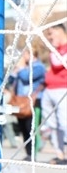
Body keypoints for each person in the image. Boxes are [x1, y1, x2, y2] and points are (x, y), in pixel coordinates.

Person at [8, 46, 46, 160]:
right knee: (23, 128)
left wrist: (21, 68)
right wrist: (15, 71)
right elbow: (10, 80)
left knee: (31, 127)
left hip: (33, 101)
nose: (22, 57)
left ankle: (34, 153)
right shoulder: (22, 67)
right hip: (20, 101)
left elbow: (26, 77)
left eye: (24, 55)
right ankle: (29, 153)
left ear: (31, 55)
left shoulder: (38, 67)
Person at [41, 23, 67, 164]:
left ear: (59, 31)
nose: (49, 37)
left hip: (63, 90)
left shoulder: (59, 50)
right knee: (52, 125)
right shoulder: (55, 50)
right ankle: (60, 153)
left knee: (64, 122)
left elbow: (58, 63)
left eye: (51, 33)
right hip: (50, 89)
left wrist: (53, 47)